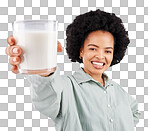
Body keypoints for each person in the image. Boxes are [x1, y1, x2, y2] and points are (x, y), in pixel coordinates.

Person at [6, 9, 141, 131]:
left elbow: (135, 113)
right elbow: (46, 97)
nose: (100, 56)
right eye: (93, 48)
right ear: (81, 50)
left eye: (107, 51)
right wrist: (42, 66)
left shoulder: (121, 93)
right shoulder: (65, 87)